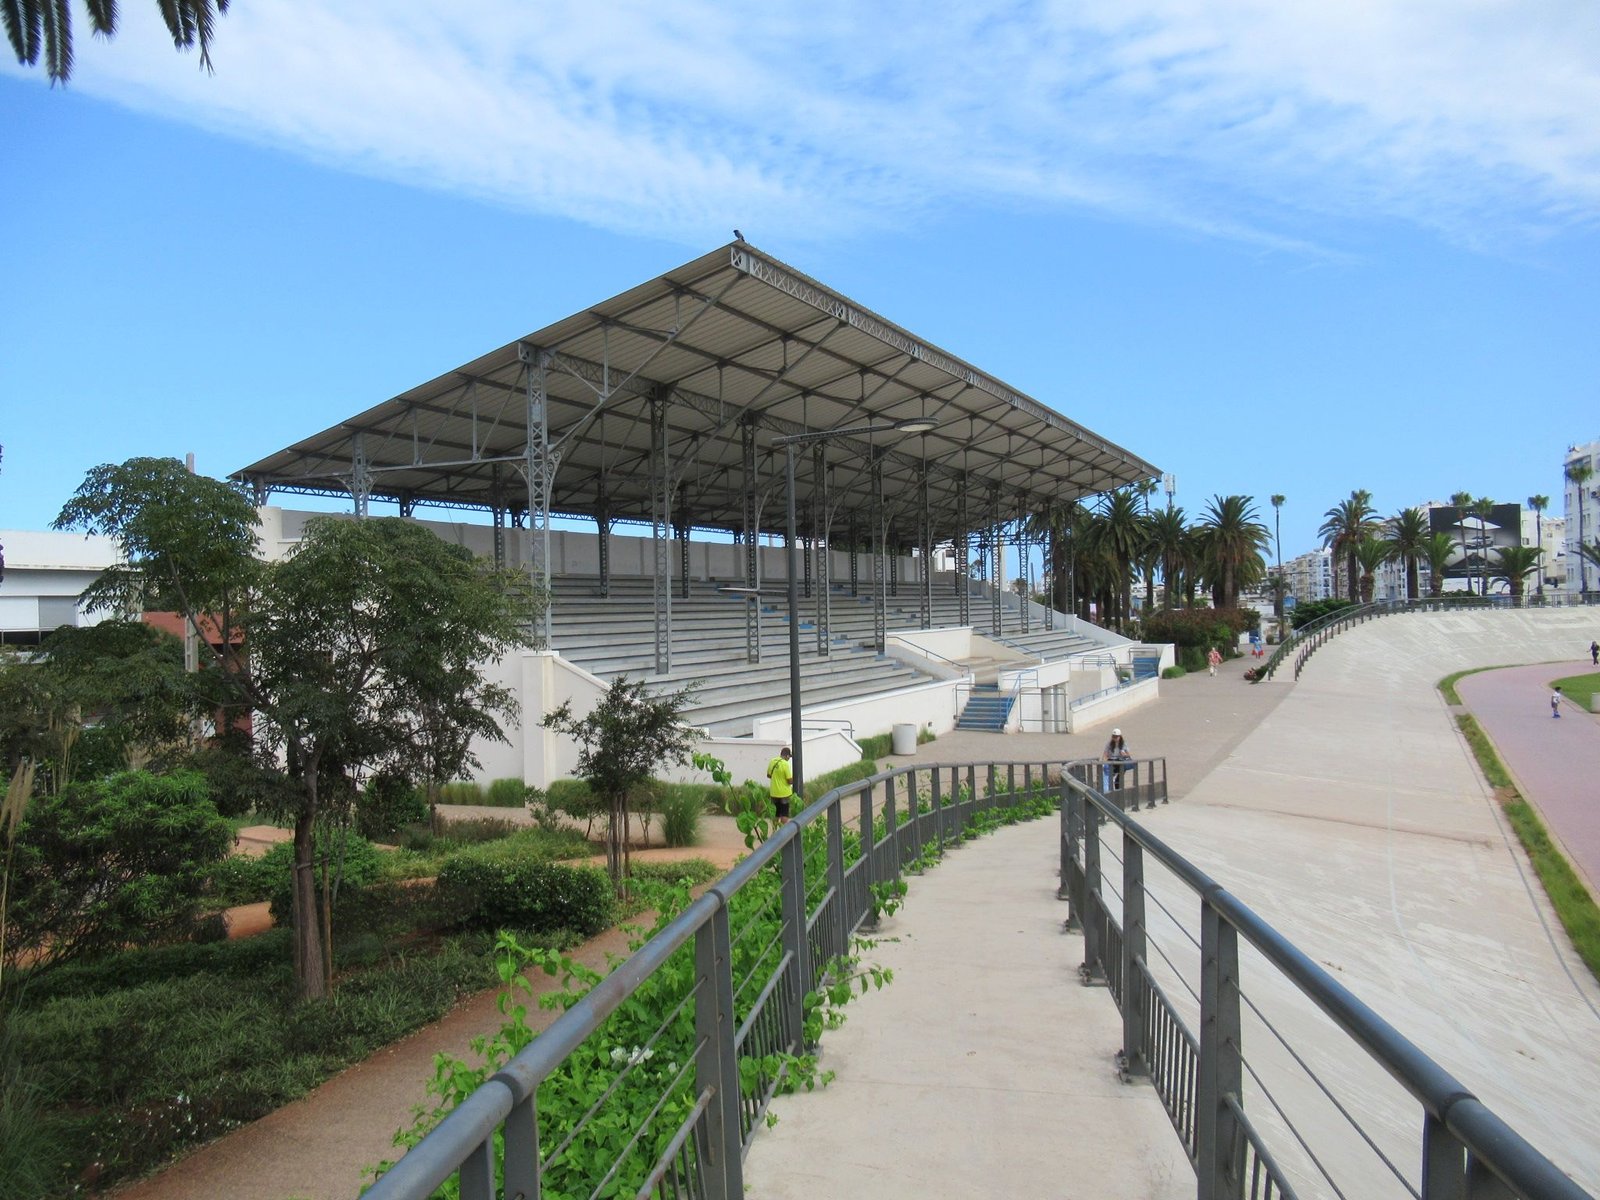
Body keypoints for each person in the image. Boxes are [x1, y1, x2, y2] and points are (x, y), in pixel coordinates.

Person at [767, 745, 794, 822]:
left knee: (776, 813)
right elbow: (789, 781)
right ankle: (784, 831)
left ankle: (775, 831)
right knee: (784, 813)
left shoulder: (772, 761)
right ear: (787, 755)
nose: (789, 759)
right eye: (789, 757)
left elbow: (768, 775)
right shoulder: (785, 764)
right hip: (784, 793)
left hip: (774, 792)